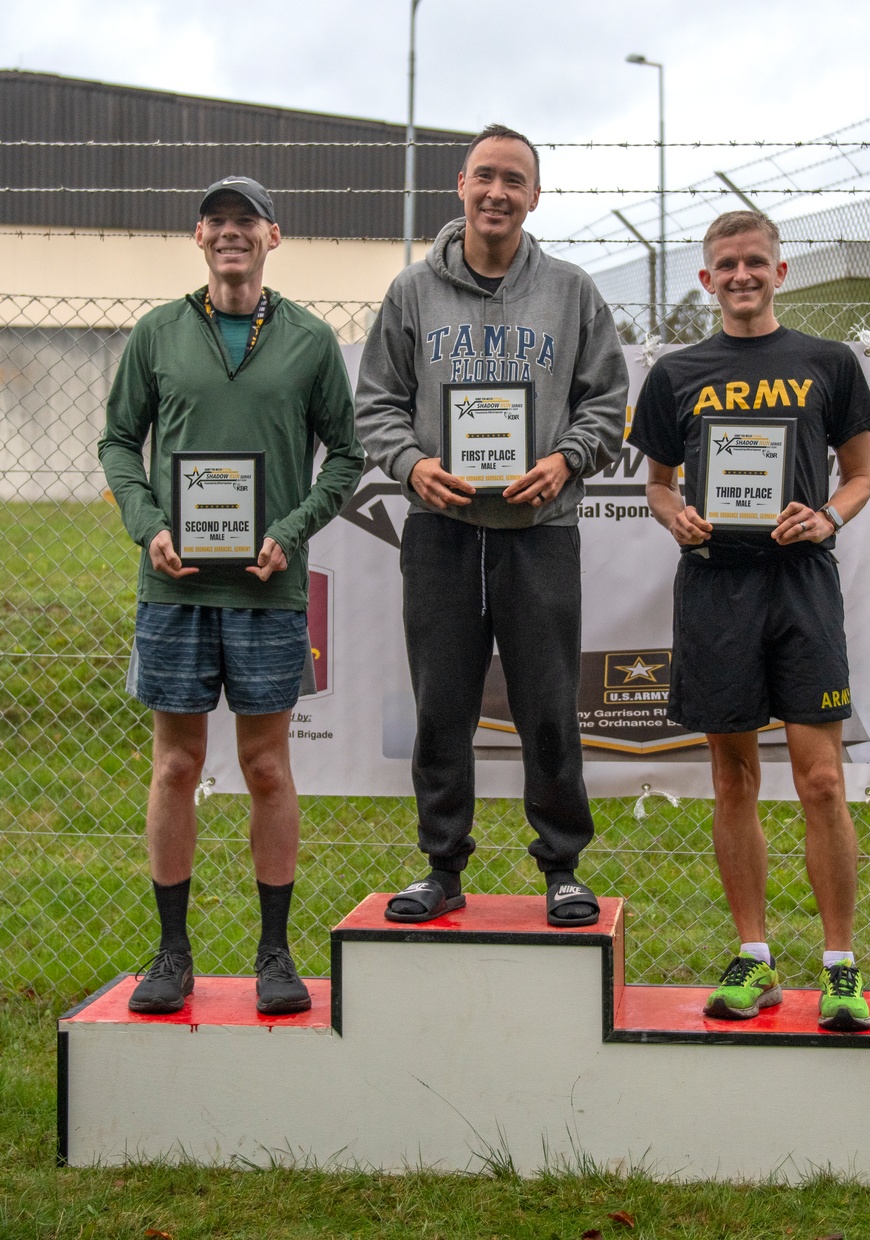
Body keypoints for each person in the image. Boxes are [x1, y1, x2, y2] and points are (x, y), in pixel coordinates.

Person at [100, 176, 363, 1015]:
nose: (229, 233)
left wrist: (290, 529)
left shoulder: (311, 341)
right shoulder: (157, 334)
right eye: (216, 221)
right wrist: (149, 526)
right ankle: (171, 954)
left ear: (272, 237)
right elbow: (116, 441)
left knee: (265, 766)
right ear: (199, 237)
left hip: (268, 590)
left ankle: (274, 954)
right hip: (173, 587)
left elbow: (348, 458)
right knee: (175, 766)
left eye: (244, 221)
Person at [355, 124, 628, 927]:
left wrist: (569, 459)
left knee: (548, 702)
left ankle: (563, 869)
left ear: (535, 196)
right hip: (442, 532)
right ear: (461, 186)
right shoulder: (412, 293)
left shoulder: (573, 291)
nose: (498, 193)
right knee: (442, 705)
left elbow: (607, 400)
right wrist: (412, 465)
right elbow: (376, 402)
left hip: (539, 529)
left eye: (515, 180)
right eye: (485, 177)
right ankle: (441, 868)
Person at [629, 210, 870, 1032]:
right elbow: (657, 484)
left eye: (755, 263)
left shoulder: (828, 363)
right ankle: (755, 957)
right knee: (733, 779)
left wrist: (829, 520)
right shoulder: (676, 373)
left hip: (802, 585)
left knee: (821, 780)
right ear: (706, 281)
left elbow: (859, 476)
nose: (741, 276)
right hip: (716, 591)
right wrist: (677, 518)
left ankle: (840, 966)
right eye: (725, 266)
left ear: (781, 271)